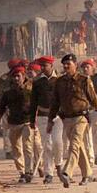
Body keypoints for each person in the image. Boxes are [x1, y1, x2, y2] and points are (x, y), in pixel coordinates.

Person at [49, 54, 97, 188]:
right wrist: (50, 120)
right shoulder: (59, 82)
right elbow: (55, 103)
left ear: (75, 65)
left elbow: (93, 97)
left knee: (74, 144)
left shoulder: (84, 80)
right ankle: (88, 174)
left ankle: (67, 172)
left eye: (69, 64)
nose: (66, 66)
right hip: (67, 118)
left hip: (81, 118)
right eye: (64, 64)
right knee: (78, 147)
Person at [0, 66, 36, 183]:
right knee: (16, 149)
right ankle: (22, 172)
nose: (16, 79)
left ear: (23, 76)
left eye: (18, 76)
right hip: (13, 123)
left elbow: (36, 104)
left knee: (27, 146)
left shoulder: (31, 90)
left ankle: (29, 171)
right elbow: (2, 107)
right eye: (14, 76)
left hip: (27, 121)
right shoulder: (8, 93)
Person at [30, 56, 64, 184]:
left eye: (45, 66)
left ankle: (59, 165)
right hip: (43, 116)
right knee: (47, 145)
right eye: (41, 66)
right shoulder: (37, 82)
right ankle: (48, 173)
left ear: (51, 66)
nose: (43, 68)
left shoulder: (60, 80)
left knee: (57, 142)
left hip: (58, 116)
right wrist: (32, 119)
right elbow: (33, 102)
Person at [80, 59, 97, 166]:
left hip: (95, 110)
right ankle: (90, 158)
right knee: (86, 135)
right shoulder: (79, 80)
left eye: (88, 67)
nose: (85, 69)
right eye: (84, 67)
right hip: (84, 111)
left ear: (93, 68)